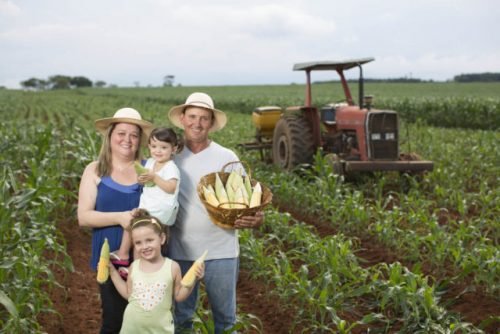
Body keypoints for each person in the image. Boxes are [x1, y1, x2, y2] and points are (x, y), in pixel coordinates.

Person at [167, 92, 265, 333]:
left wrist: (257, 219)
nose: (197, 123)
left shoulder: (227, 157)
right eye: (192, 116)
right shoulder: (170, 155)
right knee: (182, 318)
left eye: (203, 118)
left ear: (211, 123)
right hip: (181, 252)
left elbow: (249, 200)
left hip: (221, 251)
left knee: (225, 321)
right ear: (182, 118)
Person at [77, 107, 153, 334]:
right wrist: (120, 218)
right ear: (110, 136)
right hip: (109, 258)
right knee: (114, 321)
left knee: (145, 322)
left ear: (139, 140)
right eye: (121, 133)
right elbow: (84, 217)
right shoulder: (95, 170)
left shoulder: (149, 170)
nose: (127, 139)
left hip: (147, 256)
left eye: (134, 134)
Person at [109, 210, 204, 333]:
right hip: (131, 328)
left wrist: (194, 278)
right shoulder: (134, 266)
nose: (144, 246)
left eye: (149, 240)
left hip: (160, 330)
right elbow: (129, 295)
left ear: (162, 238)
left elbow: (179, 296)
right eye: (138, 243)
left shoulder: (172, 267)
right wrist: (112, 272)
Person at [111, 127, 182, 271]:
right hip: (148, 208)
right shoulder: (150, 163)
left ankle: (130, 262)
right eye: (154, 146)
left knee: (142, 237)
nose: (158, 151)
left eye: (164, 147)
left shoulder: (170, 167)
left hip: (160, 212)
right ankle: (130, 262)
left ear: (173, 149)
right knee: (133, 226)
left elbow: (171, 187)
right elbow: (146, 183)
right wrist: (143, 179)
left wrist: (155, 177)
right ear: (149, 146)